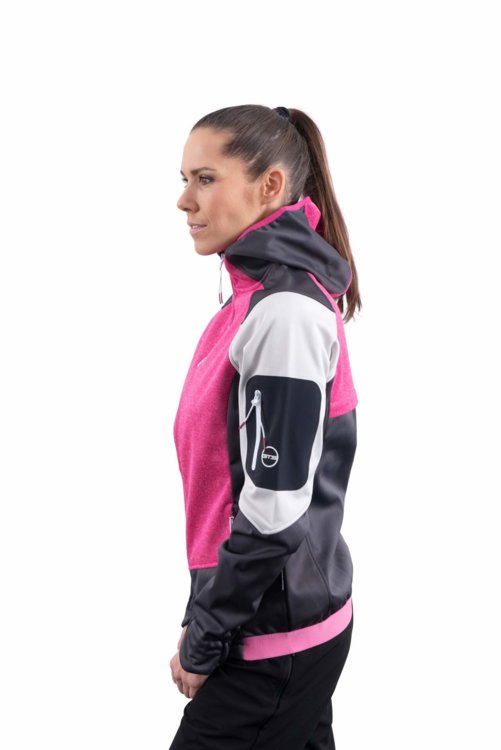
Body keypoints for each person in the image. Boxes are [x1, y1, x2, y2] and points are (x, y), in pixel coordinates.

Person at [169, 104, 361, 750]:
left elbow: (274, 509)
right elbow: (228, 486)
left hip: (272, 639)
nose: (184, 200)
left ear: (270, 186)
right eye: (185, 180)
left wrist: (206, 636)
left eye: (204, 179)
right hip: (281, 618)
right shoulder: (256, 297)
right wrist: (203, 609)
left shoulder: (285, 313)